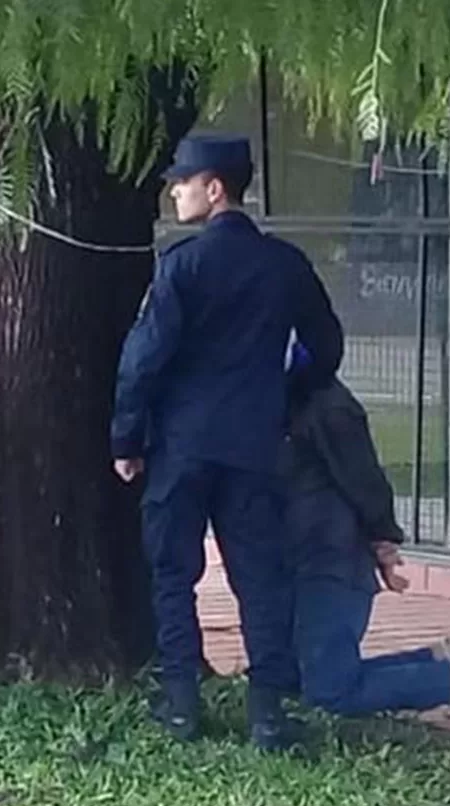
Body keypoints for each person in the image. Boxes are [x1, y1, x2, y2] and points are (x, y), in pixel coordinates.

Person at [111, 134, 344, 751]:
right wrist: (284, 389)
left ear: (215, 189)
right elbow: (327, 347)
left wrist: (126, 438)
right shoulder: (285, 265)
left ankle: (181, 703)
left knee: (172, 572)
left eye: (183, 181)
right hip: (254, 444)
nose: (175, 190)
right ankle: (268, 712)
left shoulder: (180, 266)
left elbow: (143, 361)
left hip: (181, 445)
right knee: (261, 575)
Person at [282, 341, 450, 716]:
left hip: (330, 559)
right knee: (297, 681)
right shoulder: (282, 402)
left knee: (328, 693)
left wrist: (383, 541)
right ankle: (437, 661)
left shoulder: (326, 407)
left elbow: (365, 481)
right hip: (307, 556)